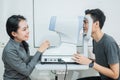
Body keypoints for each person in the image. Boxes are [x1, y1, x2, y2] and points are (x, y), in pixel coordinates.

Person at [73, 8, 120, 80]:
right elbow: (101, 62)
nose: (83, 25)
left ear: (96, 24)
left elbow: (115, 74)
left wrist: (90, 63)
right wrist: (85, 59)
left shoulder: (109, 43)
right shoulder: (94, 41)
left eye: (86, 22)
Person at [2, 15, 50, 80]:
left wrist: (45, 56)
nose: (28, 31)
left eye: (27, 28)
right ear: (14, 34)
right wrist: (39, 51)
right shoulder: (9, 51)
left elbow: (26, 59)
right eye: (24, 29)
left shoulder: (22, 42)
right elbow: (26, 71)